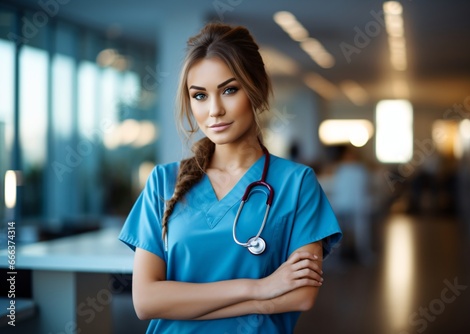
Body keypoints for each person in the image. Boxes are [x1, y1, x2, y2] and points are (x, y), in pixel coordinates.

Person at [118, 22, 342, 333]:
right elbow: (146, 301)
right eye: (200, 96)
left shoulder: (297, 184)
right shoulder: (162, 182)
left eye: (229, 90)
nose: (214, 110)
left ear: (257, 90)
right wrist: (260, 290)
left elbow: (301, 296)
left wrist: (183, 302)